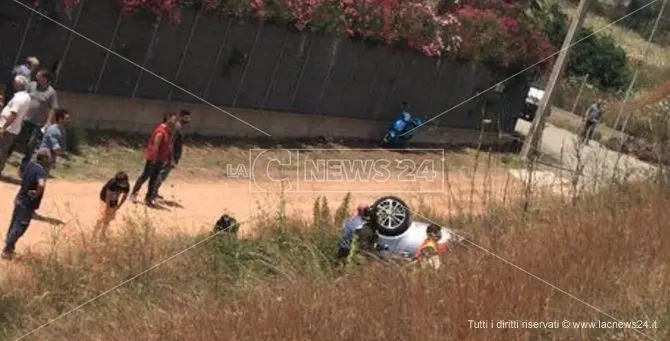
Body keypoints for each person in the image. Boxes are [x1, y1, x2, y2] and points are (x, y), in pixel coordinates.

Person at [2, 149, 50, 260]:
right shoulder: (41, 171)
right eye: (48, 158)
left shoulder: (30, 165)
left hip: (19, 198)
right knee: (20, 226)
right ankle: (7, 249)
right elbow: (41, 184)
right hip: (27, 203)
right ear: (43, 158)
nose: (50, 160)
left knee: (14, 223)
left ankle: (10, 246)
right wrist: (36, 192)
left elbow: (20, 174)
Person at [11, 68, 59, 172]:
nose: (36, 77)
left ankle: (23, 169)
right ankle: (4, 160)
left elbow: (53, 108)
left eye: (39, 76)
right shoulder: (31, 85)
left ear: (45, 78)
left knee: (30, 146)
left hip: (37, 123)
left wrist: (48, 122)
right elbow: (22, 96)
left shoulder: (51, 92)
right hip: (24, 119)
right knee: (13, 140)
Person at [129, 112, 178, 207]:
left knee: (154, 179)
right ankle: (134, 194)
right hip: (153, 159)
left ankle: (148, 198)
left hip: (161, 159)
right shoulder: (161, 131)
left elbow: (169, 146)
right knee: (145, 176)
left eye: (175, 120)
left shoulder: (169, 131)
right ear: (167, 119)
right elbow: (156, 145)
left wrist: (171, 159)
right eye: (173, 119)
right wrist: (154, 158)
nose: (174, 122)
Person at [152, 109, 191, 200]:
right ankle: (152, 193)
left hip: (174, 156)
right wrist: (172, 158)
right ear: (180, 117)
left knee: (163, 175)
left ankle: (155, 192)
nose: (188, 120)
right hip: (170, 156)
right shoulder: (177, 128)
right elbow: (171, 143)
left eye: (189, 118)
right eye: (186, 117)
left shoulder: (180, 127)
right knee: (162, 175)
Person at [0, 75, 31, 176]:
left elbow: (13, 114)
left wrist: (3, 127)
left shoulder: (19, 98)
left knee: (2, 149)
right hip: (13, 128)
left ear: (19, 84)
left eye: (15, 82)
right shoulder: (26, 97)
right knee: (3, 149)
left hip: (8, 128)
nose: (13, 84)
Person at [26, 108, 71, 173]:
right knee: (37, 181)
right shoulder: (54, 130)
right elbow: (56, 148)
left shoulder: (62, 130)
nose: (69, 120)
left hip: (48, 158)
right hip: (41, 159)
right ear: (60, 119)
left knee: (41, 180)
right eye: (67, 119)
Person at [93, 171, 130, 240]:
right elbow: (107, 198)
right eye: (121, 183)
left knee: (109, 217)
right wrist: (107, 208)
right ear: (117, 181)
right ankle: (94, 233)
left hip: (114, 199)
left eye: (125, 182)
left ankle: (102, 233)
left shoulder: (127, 185)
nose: (123, 184)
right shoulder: (112, 184)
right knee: (102, 215)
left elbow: (124, 196)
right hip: (104, 198)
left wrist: (119, 206)